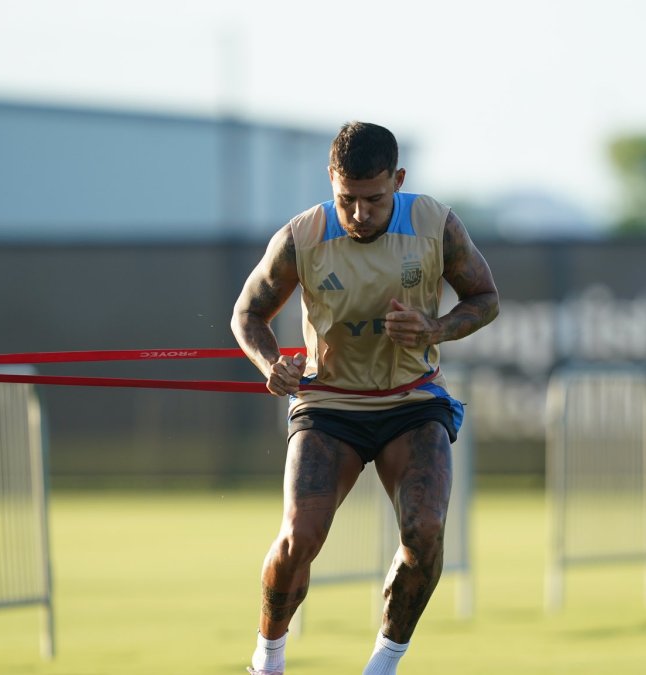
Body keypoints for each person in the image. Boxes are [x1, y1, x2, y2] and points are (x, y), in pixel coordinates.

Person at [231, 121, 499, 675]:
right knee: (298, 537)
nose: (359, 214)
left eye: (374, 199)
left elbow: (485, 298)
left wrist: (435, 329)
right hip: (329, 407)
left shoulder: (434, 224)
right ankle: (268, 658)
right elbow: (248, 314)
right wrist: (269, 365)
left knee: (425, 531)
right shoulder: (303, 236)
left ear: (397, 181)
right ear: (330, 181)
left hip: (413, 402)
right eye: (346, 199)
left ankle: (383, 663)